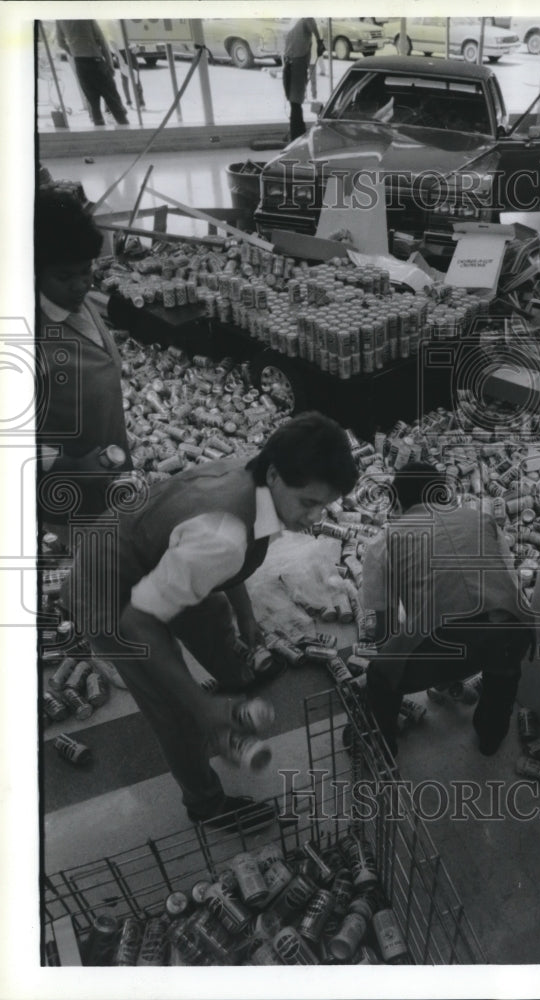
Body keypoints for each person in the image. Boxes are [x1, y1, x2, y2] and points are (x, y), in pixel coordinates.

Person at [61, 413, 358, 827]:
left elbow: (224, 555)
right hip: (108, 592)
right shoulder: (223, 535)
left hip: (157, 554)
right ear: (274, 475)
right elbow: (137, 622)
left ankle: (234, 684)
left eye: (323, 504)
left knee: (216, 615)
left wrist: (246, 614)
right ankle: (206, 804)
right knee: (173, 710)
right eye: (308, 502)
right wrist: (199, 706)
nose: (314, 517)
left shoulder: (253, 477)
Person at [361, 462, 536, 757]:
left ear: (398, 502)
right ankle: (490, 737)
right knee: (502, 660)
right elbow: (508, 582)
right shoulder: (480, 519)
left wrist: (408, 657)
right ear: (443, 495)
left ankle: (380, 747)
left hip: (447, 644)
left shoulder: (384, 542)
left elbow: (382, 629)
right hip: (511, 633)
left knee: (379, 676)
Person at [36, 186, 133, 537]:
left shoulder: (80, 303)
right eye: (64, 276)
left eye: (86, 269)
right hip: (67, 505)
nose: (81, 285)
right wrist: (70, 464)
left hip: (111, 480)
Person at [56, 19, 129, 126]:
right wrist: (110, 65)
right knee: (113, 100)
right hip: (95, 59)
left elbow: (60, 43)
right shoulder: (87, 17)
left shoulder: (61, 19)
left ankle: (99, 130)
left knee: (93, 103)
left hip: (79, 62)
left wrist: (73, 51)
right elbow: (102, 42)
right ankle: (124, 127)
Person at [283, 17, 324, 140]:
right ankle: (295, 132)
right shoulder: (294, 19)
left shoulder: (306, 18)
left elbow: (310, 22)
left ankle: (297, 135)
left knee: (295, 101)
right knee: (291, 99)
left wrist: (319, 41)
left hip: (298, 61)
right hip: (289, 60)